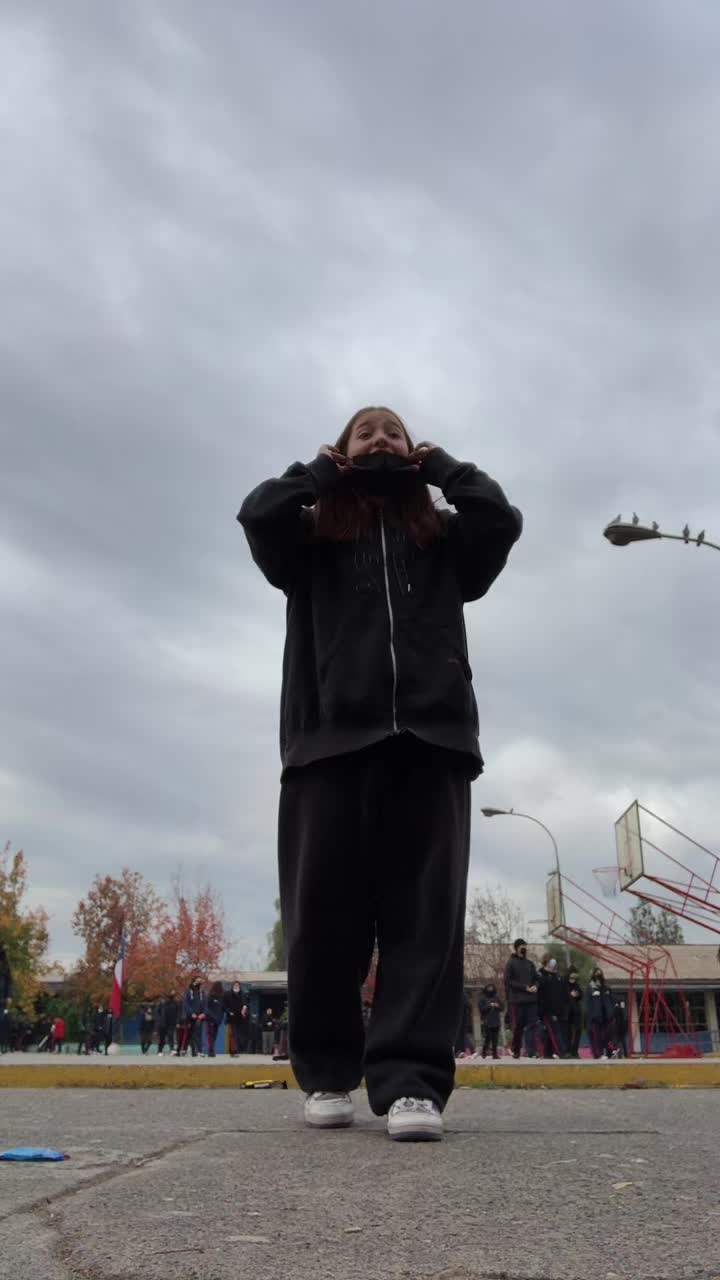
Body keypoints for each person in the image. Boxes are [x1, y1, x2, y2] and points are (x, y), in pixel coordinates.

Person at [239, 407, 521, 1142]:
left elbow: (500, 518)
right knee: (322, 919)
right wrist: (320, 474)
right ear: (341, 450)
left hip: (433, 743)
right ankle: (328, 1072)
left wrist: (444, 469)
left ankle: (411, 1085)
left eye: (392, 431)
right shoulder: (309, 537)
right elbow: (258, 513)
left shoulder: (444, 538)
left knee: (424, 923)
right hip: (328, 746)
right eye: (364, 432)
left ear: (415, 449)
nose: (380, 440)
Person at [504, 939, 539, 1059]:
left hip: (531, 1000)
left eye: (525, 946)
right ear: (517, 948)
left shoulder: (530, 964)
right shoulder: (511, 963)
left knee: (532, 1025)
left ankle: (532, 1051)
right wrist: (524, 987)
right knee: (518, 1027)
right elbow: (508, 981)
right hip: (517, 1001)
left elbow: (536, 978)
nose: (524, 949)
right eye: (522, 947)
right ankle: (516, 1050)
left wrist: (535, 986)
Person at [537, 956, 566, 1059]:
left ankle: (548, 1053)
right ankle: (561, 1052)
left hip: (556, 1009)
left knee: (550, 1032)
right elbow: (541, 994)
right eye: (550, 962)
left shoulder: (556, 977)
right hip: (546, 1010)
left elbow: (560, 993)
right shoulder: (541, 976)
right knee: (554, 1031)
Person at [585, 967, 614, 1059]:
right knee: (596, 1036)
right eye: (597, 974)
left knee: (606, 1036)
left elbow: (610, 1000)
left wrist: (610, 1013)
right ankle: (598, 1054)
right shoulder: (590, 987)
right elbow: (588, 1003)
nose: (599, 976)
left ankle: (609, 1053)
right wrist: (592, 1016)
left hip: (605, 1016)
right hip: (595, 1017)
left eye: (600, 974)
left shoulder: (605, 987)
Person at [182, 978, 207, 1057]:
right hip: (190, 1017)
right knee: (189, 1034)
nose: (199, 983)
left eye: (200, 981)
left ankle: (199, 1050)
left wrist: (203, 1013)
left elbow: (205, 1005)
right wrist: (191, 1013)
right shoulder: (188, 992)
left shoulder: (202, 993)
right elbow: (186, 1004)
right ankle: (187, 1049)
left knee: (198, 1033)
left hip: (199, 1017)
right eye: (197, 981)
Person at [478, 983, 503, 1059]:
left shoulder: (496, 998)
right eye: (489, 988)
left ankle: (495, 1054)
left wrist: (497, 1006)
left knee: (495, 1039)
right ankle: (484, 1051)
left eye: (492, 988)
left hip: (496, 1020)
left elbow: (502, 1008)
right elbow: (481, 1009)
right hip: (487, 1021)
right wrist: (489, 1005)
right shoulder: (482, 998)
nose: (490, 989)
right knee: (488, 1037)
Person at [223, 982, 246, 1056]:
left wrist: (245, 1009)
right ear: (232, 986)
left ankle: (236, 1050)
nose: (236, 986)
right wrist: (229, 1012)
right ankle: (234, 1051)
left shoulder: (243, 994)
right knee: (233, 1034)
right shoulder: (228, 994)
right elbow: (224, 1005)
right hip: (231, 1017)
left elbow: (245, 1004)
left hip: (240, 1018)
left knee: (238, 1035)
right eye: (235, 985)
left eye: (238, 985)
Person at [566, 968, 584, 1058]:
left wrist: (577, 994)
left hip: (576, 1011)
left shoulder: (577, 985)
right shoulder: (564, 984)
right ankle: (568, 1051)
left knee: (578, 1031)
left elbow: (581, 994)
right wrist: (570, 995)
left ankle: (575, 1051)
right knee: (568, 1032)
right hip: (567, 1012)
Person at [156, 990, 180, 1055]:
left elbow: (178, 1013)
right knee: (162, 1037)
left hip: (171, 1023)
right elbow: (158, 1012)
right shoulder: (162, 1003)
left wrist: (177, 1022)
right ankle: (160, 1050)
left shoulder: (176, 1003)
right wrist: (159, 1021)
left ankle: (172, 1049)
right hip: (163, 1023)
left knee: (171, 1036)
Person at [205, 982, 225, 1058]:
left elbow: (223, 1009)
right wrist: (212, 1016)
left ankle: (211, 1049)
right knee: (210, 1035)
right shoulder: (210, 996)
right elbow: (207, 1007)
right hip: (210, 1019)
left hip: (217, 1020)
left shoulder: (222, 998)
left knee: (213, 1035)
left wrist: (219, 1018)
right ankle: (211, 1050)